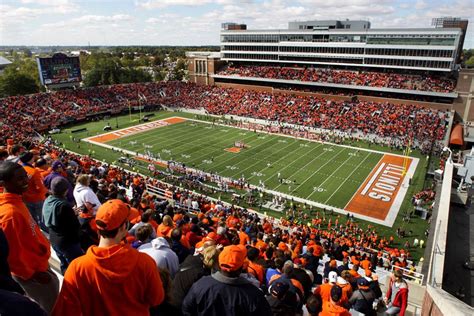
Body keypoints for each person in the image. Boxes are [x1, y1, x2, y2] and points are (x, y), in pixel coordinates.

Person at [52, 199, 165, 315]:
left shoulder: (77, 268)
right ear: (123, 227)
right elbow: (156, 299)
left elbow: (64, 311)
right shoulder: (145, 263)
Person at [0, 161, 59, 313]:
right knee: (52, 309)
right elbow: (11, 255)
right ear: (3, 183)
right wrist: (33, 275)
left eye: (25, 176)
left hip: (39, 265)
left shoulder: (15, 200)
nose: (26, 181)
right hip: (35, 274)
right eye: (19, 179)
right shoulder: (9, 215)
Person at [182, 244, 272, 316]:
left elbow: (186, 309)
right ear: (241, 268)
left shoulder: (200, 285)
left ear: (219, 263)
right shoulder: (254, 296)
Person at [42, 177, 84, 274]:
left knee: (64, 264)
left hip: (54, 239)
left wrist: (71, 213)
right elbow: (75, 226)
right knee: (76, 268)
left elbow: (57, 218)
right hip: (67, 243)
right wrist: (74, 215)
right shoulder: (64, 206)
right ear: (65, 191)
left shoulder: (48, 199)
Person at [19, 152, 48, 229]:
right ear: (30, 159)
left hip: (25, 198)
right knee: (43, 219)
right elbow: (40, 188)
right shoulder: (34, 171)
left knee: (32, 218)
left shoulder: (19, 169)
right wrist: (47, 191)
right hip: (37, 199)